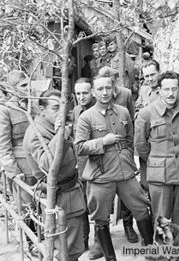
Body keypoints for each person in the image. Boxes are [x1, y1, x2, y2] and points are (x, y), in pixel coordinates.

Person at [74, 74, 153, 261]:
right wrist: (103, 141)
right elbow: (79, 147)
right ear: (94, 92)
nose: (104, 92)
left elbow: (129, 139)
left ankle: (152, 253)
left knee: (141, 208)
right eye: (99, 89)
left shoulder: (123, 112)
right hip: (101, 175)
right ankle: (110, 258)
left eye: (107, 88)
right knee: (101, 218)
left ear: (113, 89)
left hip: (125, 172)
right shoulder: (86, 117)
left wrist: (128, 160)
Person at [23, 89, 86, 261]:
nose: (60, 112)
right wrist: (60, 137)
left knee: (72, 247)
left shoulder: (52, 126)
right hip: (60, 196)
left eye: (63, 107)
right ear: (41, 110)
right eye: (55, 108)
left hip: (70, 192)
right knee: (66, 250)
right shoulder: (37, 133)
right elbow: (46, 165)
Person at [135, 71, 179, 230]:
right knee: (161, 219)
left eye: (174, 89)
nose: (170, 94)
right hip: (160, 175)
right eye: (166, 89)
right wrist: (158, 159)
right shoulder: (146, 113)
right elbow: (141, 145)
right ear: (159, 90)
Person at [97, 66, 139, 243]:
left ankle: (128, 226)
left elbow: (131, 124)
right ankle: (102, 236)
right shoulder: (98, 93)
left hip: (123, 152)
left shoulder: (126, 94)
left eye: (111, 77)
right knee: (103, 196)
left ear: (115, 78)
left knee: (127, 193)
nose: (108, 81)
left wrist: (130, 151)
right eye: (103, 77)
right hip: (103, 152)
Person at [0, 70, 39, 258]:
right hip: (22, 166)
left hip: (39, 162)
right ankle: (31, 242)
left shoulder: (34, 103)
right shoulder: (5, 109)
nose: (28, 88)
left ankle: (43, 237)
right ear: (11, 89)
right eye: (23, 86)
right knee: (26, 206)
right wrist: (13, 171)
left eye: (28, 84)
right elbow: (3, 144)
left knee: (41, 202)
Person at [73, 78, 101, 259]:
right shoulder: (76, 111)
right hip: (81, 165)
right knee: (81, 204)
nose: (82, 97)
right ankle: (83, 241)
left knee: (98, 206)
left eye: (85, 93)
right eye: (78, 94)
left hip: (98, 165)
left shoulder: (100, 110)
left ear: (93, 92)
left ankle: (99, 244)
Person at [106, 35, 138, 99]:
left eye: (111, 44)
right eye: (108, 45)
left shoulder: (124, 56)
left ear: (117, 44)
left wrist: (133, 84)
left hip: (124, 84)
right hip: (115, 87)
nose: (110, 47)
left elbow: (131, 71)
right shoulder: (112, 58)